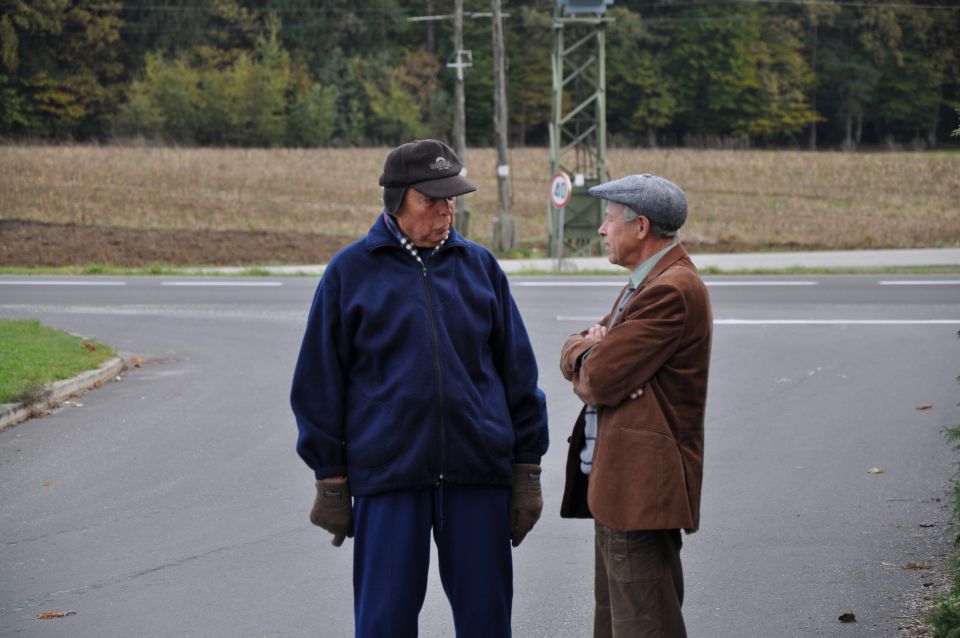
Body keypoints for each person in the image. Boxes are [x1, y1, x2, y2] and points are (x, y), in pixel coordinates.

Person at [291, 139, 549, 638]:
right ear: (396, 200)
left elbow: (518, 373)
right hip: (390, 477)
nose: (445, 211)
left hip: (477, 476)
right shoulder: (350, 273)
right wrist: (330, 476)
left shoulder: (481, 269)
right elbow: (318, 383)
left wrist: (527, 470)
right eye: (431, 200)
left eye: (451, 199)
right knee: (384, 623)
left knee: (487, 621)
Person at [559, 173, 712, 638]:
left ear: (641, 227)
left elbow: (600, 379)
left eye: (609, 220)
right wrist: (587, 348)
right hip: (621, 488)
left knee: (644, 625)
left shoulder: (671, 290)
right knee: (615, 620)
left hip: (642, 492)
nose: (603, 230)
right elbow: (580, 353)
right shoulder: (644, 283)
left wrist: (591, 356)